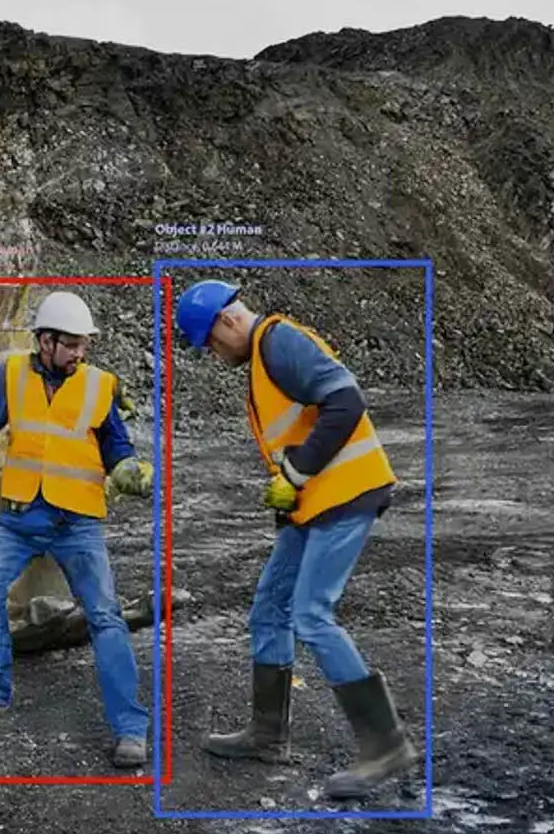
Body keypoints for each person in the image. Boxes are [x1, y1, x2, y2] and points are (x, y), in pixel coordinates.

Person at [173, 278, 418, 801]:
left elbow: (347, 402)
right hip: (314, 506)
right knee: (269, 607)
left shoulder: (279, 341)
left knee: (311, 614)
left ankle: (385, 744)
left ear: (227, 321)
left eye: (210, 345)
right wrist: (290, 495)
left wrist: (297, 471)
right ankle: (267, 735)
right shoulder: (262, 356)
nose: (213, 357)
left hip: (346, 495)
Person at [0, 290, 154, 770]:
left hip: (76, 522)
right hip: (20, 517)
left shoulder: (100, 385)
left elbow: (116, 443)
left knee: (105, 617)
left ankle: (130, 729)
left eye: (84, 345)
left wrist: (126, 469)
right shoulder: (12, 374)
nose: (80, 353)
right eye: (72, 344)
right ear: (45, 341)